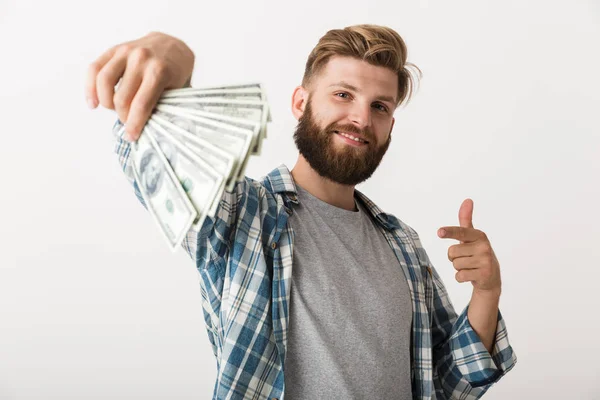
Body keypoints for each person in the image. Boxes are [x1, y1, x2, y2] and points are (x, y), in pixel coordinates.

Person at [86, 25, 517, 400]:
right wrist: (174, 53)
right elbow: (147, 150)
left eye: (379, 107)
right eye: (343, 94)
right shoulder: (246, 216)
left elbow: (445, 385)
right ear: (300, 102)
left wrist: (486, 292)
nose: (360, 119)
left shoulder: (402, 243)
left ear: (390, 126)